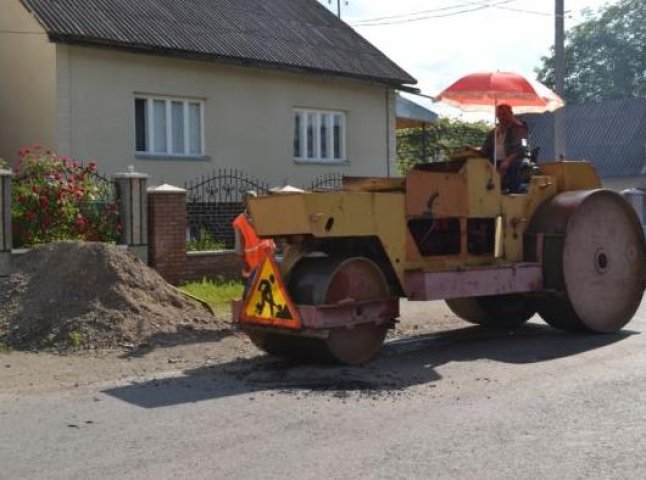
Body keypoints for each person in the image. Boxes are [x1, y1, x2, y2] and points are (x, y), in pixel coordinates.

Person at [480, 104, 529, 193]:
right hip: (495, 161)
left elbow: (521, 148)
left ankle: (516, 191)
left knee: (514, 166)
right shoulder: (494, 132)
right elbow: (485, 149)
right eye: (499, 115)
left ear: (511, 114)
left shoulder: (519, 129)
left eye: (504, 114)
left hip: (513, 161)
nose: (502, 117)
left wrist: (507, 160)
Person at [232, 191, 276, 285]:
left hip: (266, 262)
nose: (251, 203)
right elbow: (239, 249)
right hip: (253, 265)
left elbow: (272, 239)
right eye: (249, 201)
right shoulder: (239, 222)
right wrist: (244, 263)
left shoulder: (264, 217)